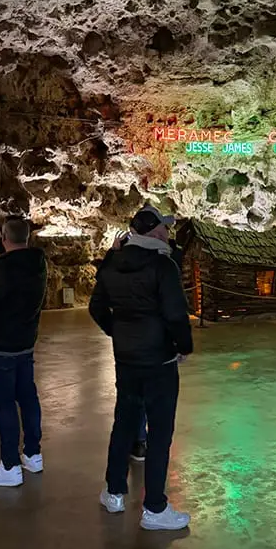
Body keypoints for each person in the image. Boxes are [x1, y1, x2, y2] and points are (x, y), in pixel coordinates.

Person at [90, 206, 193, 530]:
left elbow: (96, 308)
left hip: (127, 359)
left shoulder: (112, 263)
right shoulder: (163, 265)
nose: (167, 232)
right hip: (159, 361)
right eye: (163, 227)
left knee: (124, 423)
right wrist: (183, 346)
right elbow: (176, 313)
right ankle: (154, 508)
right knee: (160, 433)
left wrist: (117, 331)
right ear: (155, 232)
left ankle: (114, 492)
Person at [0, 216, 48, 487]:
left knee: (4, 404)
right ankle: (33, 454)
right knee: (27, 397)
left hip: (0, 347)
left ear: (4, 238)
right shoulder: (37, 264)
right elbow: (15, 267)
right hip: (24, 343)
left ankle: (10, 465)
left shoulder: (2, 270)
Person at [106, 224, 185, 464]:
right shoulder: (167, 261)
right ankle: (144, 451)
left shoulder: (134, 262)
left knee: (135, 402)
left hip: (136, 347)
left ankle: (136, 449)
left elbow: (103, 296)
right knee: (155, 407)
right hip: (156, 347)